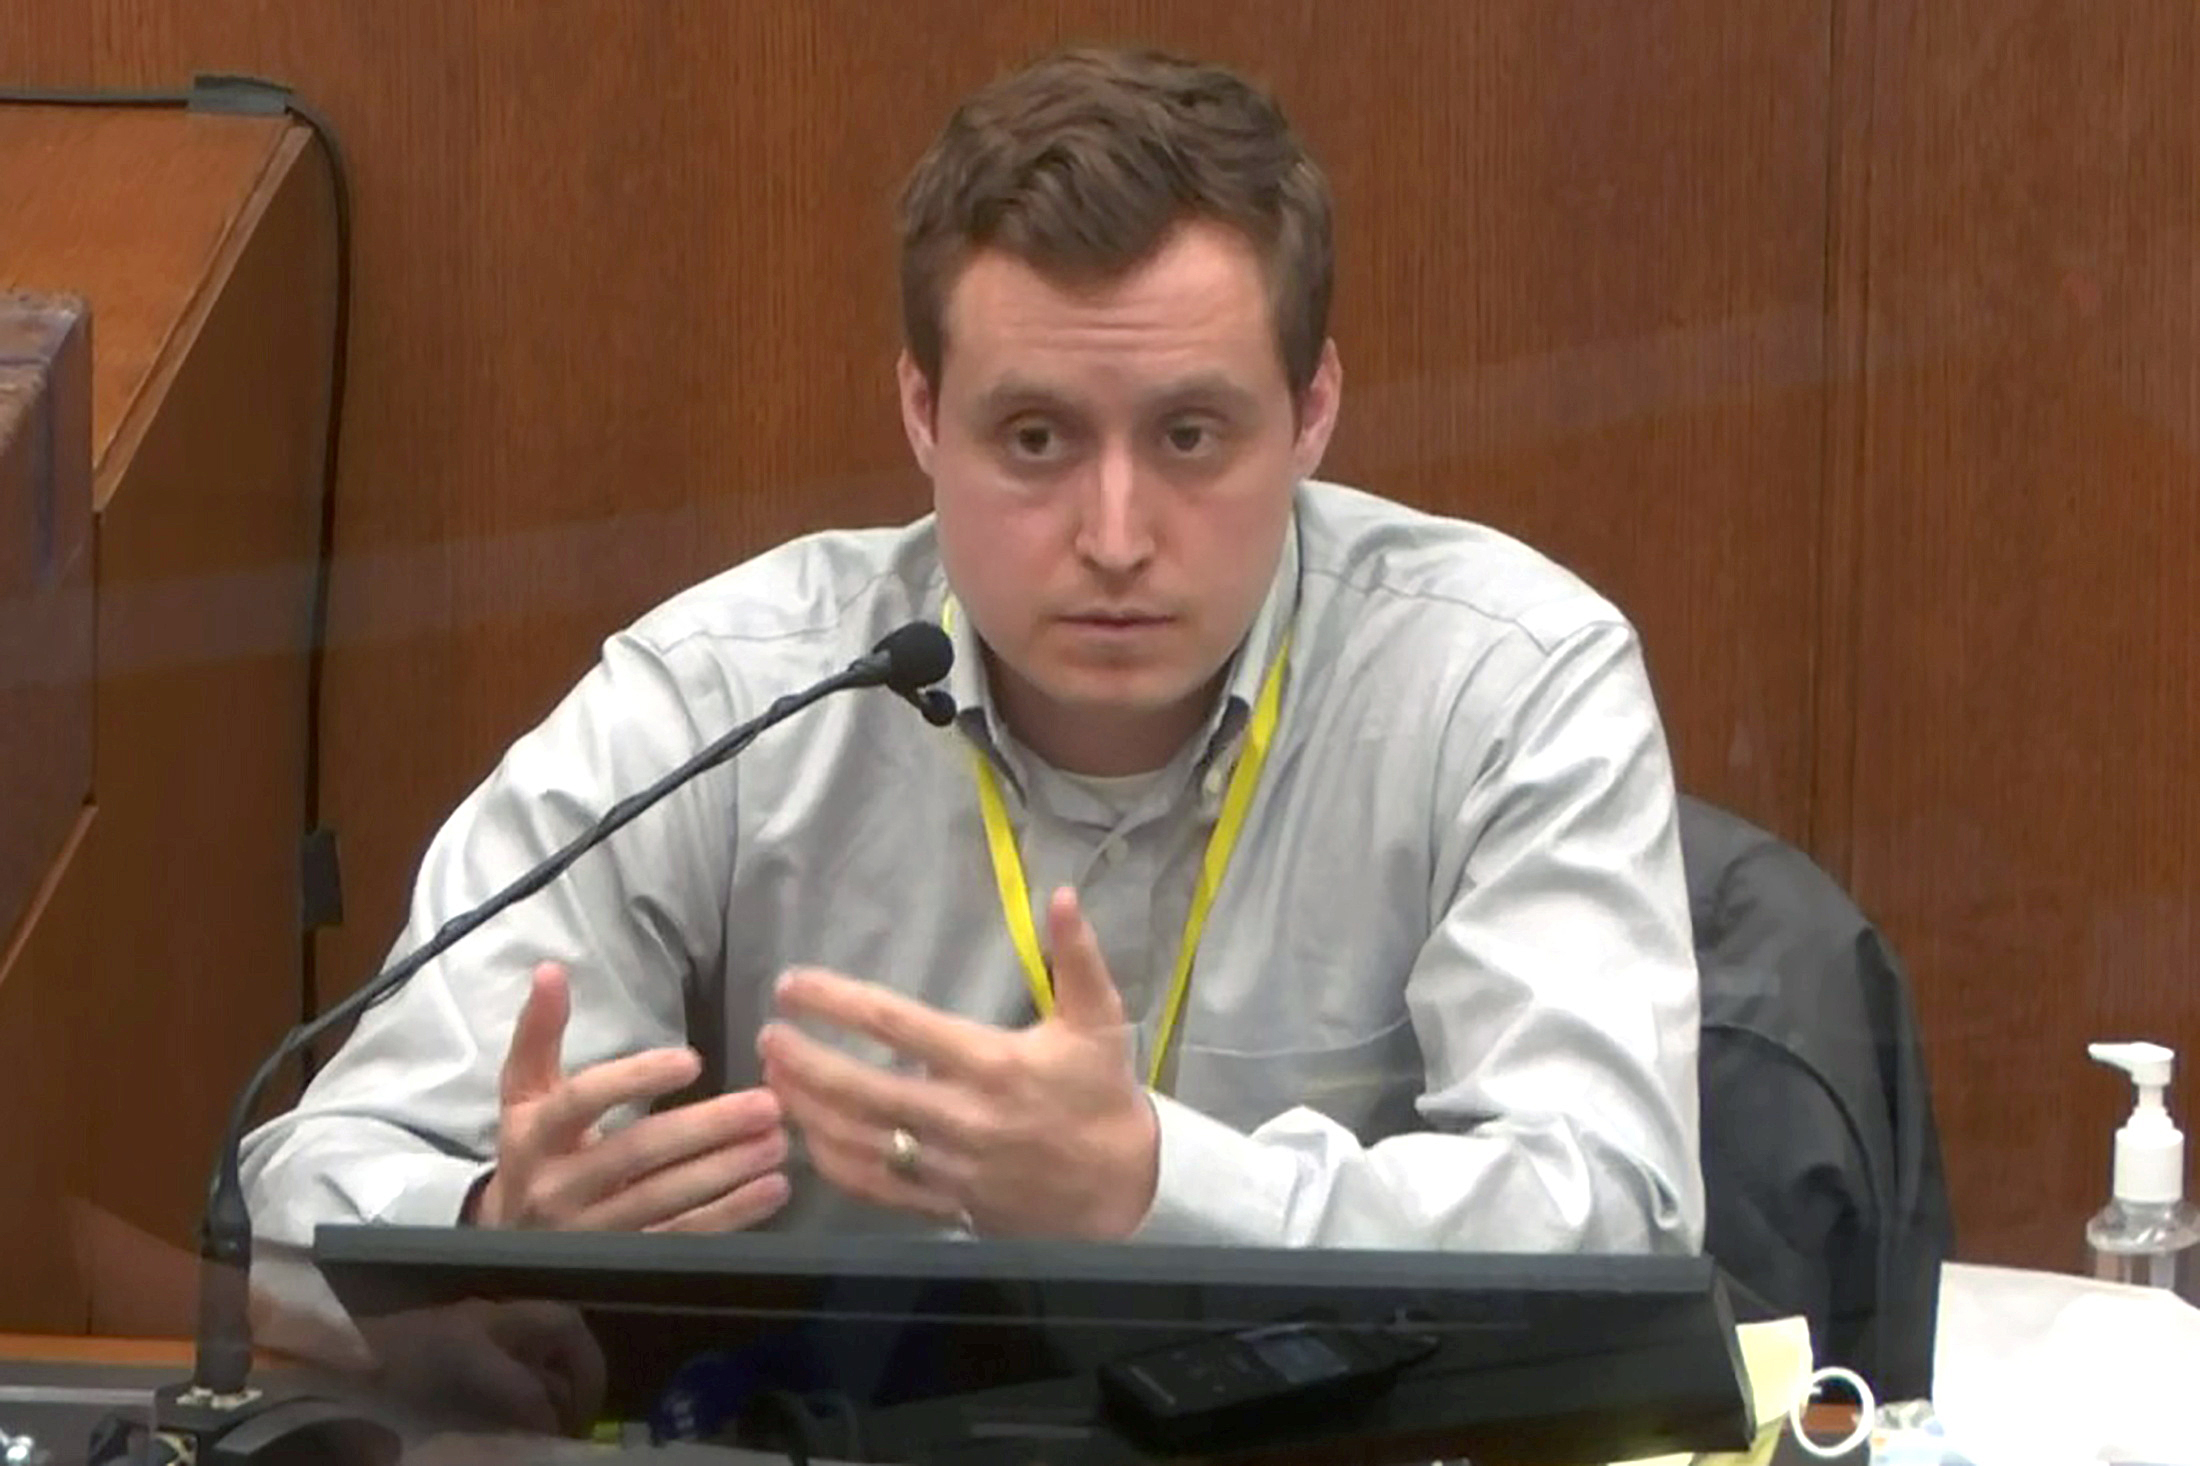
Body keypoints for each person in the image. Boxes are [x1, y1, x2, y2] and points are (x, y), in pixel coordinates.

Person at [241, 45, 1703, 1259]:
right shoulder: (729, 696)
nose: (1117, 533)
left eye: (1191, 435)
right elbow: (313, 1173)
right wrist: (487, 1226)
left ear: (1313, 412)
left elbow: (1622, 1204)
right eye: (1036, 438)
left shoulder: (1508, 681)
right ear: (923, 415)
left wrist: (1155, 1186)